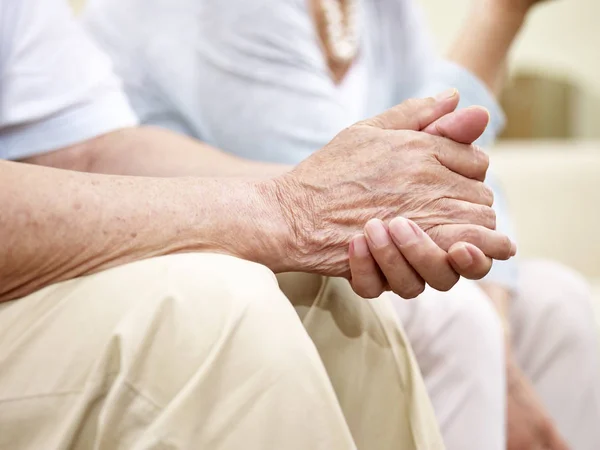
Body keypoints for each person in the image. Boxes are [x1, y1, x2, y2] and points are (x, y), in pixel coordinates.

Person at [82, 0, 600, 449]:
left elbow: (452, 162)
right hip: (213, 256)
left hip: (341, 247)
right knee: (456, 318)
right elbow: (360, 190)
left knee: (561, 304)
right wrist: (499, 14)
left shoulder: (374, 8)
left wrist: (503, 339)